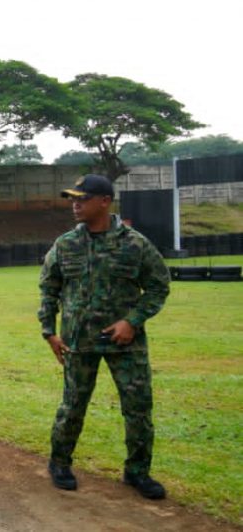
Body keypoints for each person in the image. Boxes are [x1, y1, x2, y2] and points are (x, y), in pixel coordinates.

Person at [39, 174, 170, 500]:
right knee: (73, 405)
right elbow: (49, 289)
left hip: (125, 342)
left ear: (105, 201)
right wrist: (49, 332)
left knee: (138, 407)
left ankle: (137, 471)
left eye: (82, 198)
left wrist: (132, 321)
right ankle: (59, 462)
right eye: (72, 198)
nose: (75, 204)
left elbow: (158, 286)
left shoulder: (135, 243)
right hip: (77, 341)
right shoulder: (65, 244)